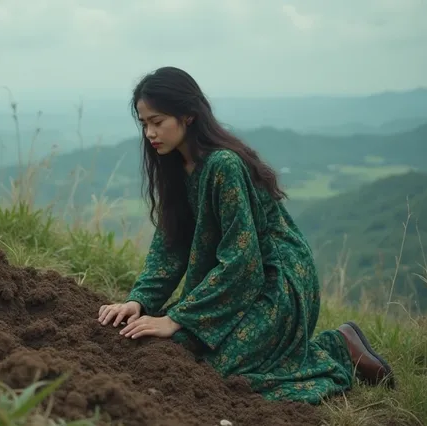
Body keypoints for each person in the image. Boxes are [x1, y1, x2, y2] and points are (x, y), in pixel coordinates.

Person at [96, 66, 395, 404]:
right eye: (144, 123)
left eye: (158, 121)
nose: (150, 132)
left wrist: (176, 317)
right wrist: (139, 301)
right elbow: (170, 246)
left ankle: (339, 347)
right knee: (176, 350)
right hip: (236, 283)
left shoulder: (223, 165)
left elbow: (243, 260)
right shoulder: (173, 168)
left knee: (222, 376)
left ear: (189, 115)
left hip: (275, 281)